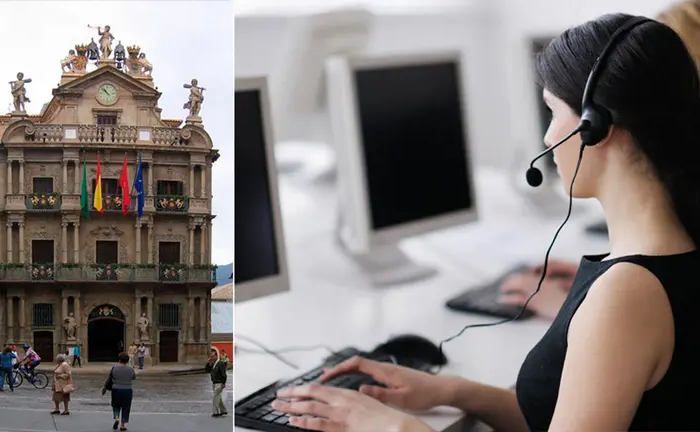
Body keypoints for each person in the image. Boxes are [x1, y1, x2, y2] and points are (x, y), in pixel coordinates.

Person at [273, 13, 700, 431]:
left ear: (595, 127)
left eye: (552, 112)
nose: (549, 136)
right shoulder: (668, 252)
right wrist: (453, 391)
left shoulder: (626, 295)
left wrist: (389, 426)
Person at [497, 0, 700, 321]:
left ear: (593, 124)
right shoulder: (675, 235)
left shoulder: (633, 285)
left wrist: (594, 311)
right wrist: (593, 286)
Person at [110, 352, 136, 431]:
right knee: (126, 407)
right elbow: (133, 377)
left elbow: (111, 376)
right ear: (127, 360)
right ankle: (122, 425)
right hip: (127, 390)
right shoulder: (130, 369)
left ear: (119, 359)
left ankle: (117, 418)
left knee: (116, 405)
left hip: (116, 389)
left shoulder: (114, 368)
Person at [205, 348, 228, 418]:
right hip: (214, 383)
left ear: (216, 356)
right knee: (219, 397)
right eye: (210, 356)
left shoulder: (220, 363)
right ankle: (223, 410)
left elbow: (224, 374)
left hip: (219, 383)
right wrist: (207, 363)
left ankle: (215, 412)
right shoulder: (213, 364)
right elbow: (207, 371)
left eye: (212, 356)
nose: (211, 358)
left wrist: (223, 383)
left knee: (215, 397)